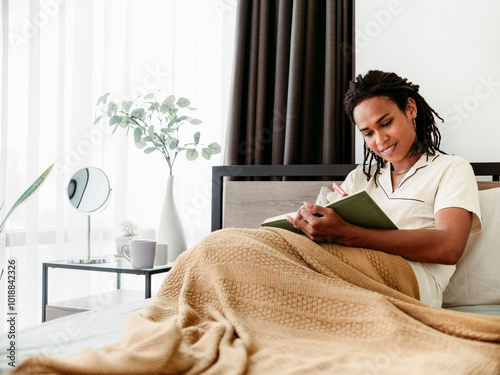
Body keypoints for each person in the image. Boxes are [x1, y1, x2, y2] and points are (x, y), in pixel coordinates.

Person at [287, 70, 481, 308]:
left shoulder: (451, 169)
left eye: (386, 123)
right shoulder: (361, 176)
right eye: (368, 133)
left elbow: (449, 246)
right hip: (352, 268)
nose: (380, 140)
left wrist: (348, 233)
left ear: (410, 109)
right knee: (251, 244)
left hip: (414, 281)